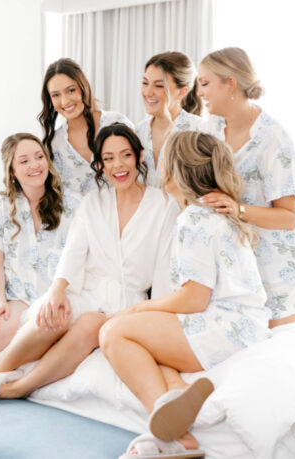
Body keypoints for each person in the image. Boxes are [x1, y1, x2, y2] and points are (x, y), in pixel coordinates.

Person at [0, 124, 179, 401]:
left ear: (139, 156)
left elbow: (162, 272)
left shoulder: (164, 204)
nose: (119, 165)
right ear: (99, 166)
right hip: (87, 289)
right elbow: (74, 252)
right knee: (53, 314)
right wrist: (57, 291)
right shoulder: (93, 202)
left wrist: (150, 314)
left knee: (88, 326)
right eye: (109, 158)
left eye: (125, 155)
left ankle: (17, 388)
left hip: (128, 301)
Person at [103, 130, 272, 458]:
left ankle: (166, 431)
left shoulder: (194, 218)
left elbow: (195, 299)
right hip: (246, 325)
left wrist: (138, 311)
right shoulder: (218, 212)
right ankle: (176, 396)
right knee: (148, 343)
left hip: (227, 328)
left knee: (113, 332)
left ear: (172, 170)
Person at [196, 47, 295, 327]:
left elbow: (289, 217)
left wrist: (238, 209)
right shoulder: (212, 132)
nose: (200, 92)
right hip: (236, 264)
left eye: (206, 83)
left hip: (277, 267)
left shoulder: (273, 137)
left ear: (230, 84)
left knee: (275, 353)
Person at [0, 134, 71, 360]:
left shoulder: (71, 205)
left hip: (30, 298)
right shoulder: (0, 205)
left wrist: (4, 307)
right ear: (12, 170)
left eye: (39, 157)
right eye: (24, 161)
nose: (35, 165)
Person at [39, 58, 134, 207]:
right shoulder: (54, 145)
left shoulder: (116, 122)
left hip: (127, 216)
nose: (64, 101)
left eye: (71, 90)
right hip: (83, 226)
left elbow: (140, 171)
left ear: (84, 87)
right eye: (56, 95)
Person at [135, 52, 215, 187]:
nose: (148, 92)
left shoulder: (199, 131)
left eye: (159, 85)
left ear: (182, 92)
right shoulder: (137, 132)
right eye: (145, 83)